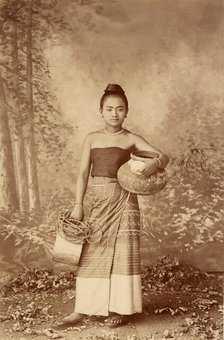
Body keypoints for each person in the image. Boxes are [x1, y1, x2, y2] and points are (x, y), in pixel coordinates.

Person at [59, 84, 169, 327]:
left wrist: (155, 164)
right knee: (92, 253)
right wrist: (78, 204)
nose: (114, 113)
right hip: (99, 201)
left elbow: (164, 157)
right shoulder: (91, 138)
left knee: (122, 253)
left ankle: (120, 308)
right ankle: (84, 307)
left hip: (125, 201)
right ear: (101, 111)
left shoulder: (131, 139)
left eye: (120, 109)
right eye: (109, 109)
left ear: (126, 112)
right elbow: (82, 173)